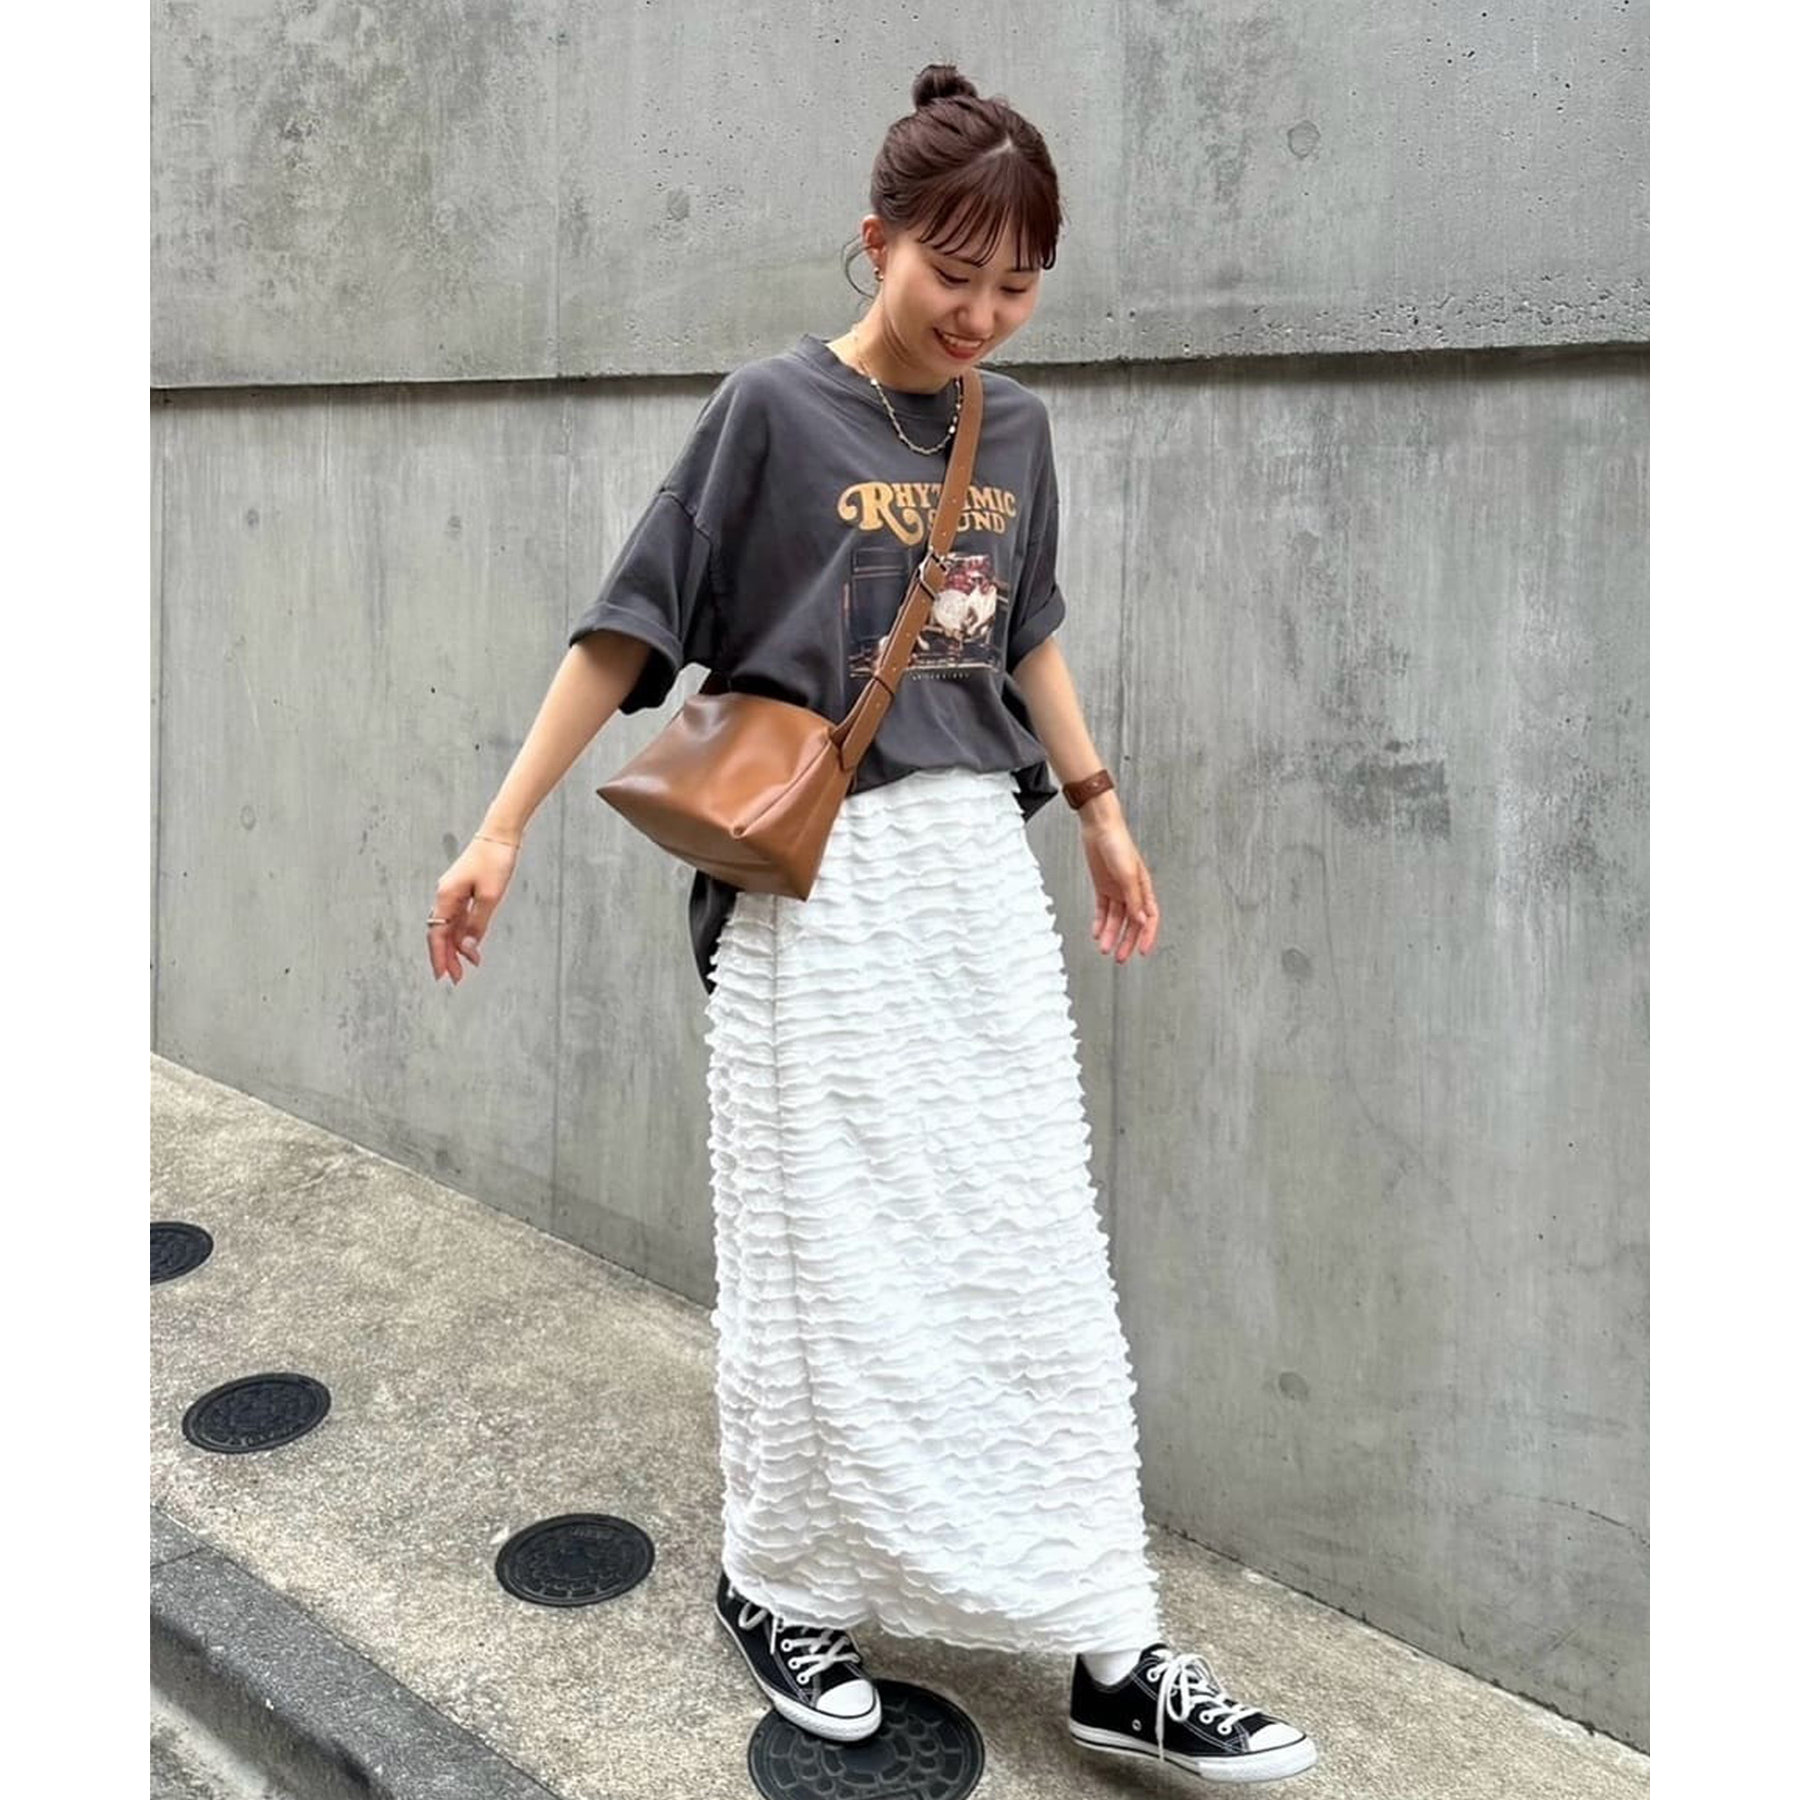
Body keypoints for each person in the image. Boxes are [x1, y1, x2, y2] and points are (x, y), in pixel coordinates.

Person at [426, 61, 1317, 1788]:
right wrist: (502, 824)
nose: (981, 312)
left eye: (1017, 285)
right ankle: (782, 1588)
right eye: (952, 272)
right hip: (810, 897)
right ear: (877, 241)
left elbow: (1022, 628)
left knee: (1027, 1256)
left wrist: (1101, 810)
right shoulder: (770, 411)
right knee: (820, 1263)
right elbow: (629, 626)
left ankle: (1108, 1642)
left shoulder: (1016, 433)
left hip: (975, 876)